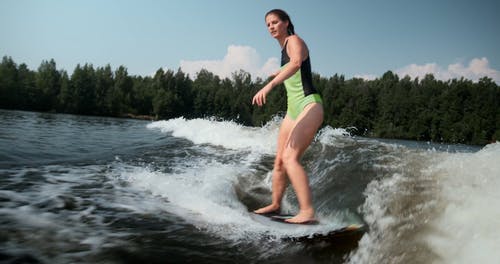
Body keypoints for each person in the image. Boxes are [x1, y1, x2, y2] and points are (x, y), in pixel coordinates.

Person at [252, 9, 324, 224]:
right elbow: (289, 66)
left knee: (290, 158)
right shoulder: (283, 49)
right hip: (293, 111)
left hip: (309, 105)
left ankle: (307, 211)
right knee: (279, 163)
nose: (271, 27)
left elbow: (296, 63)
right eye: (268, 24)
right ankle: (276, 204)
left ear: (286, 23)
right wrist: (278, 72)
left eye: (275, 22)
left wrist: (270, 85)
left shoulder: (294, 40)